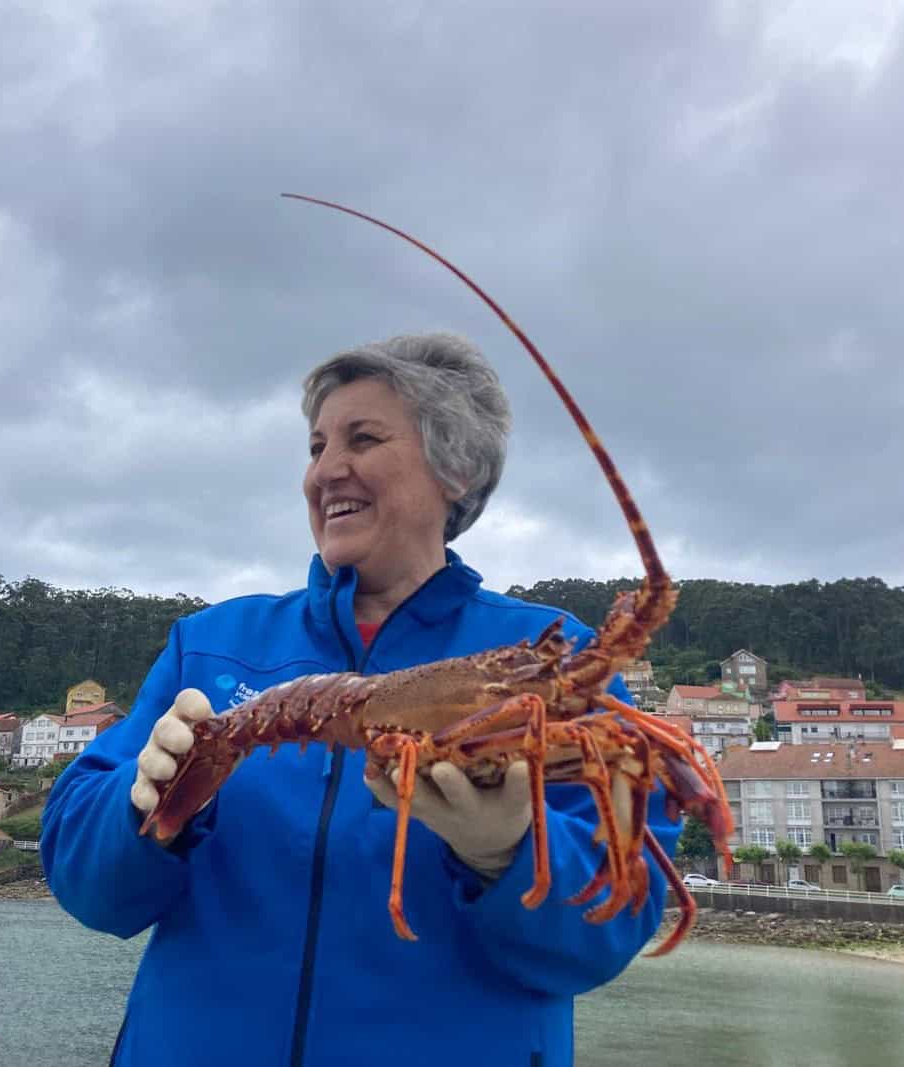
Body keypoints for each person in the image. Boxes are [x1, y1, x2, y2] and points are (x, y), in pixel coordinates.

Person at [41, 332, 683, 1067]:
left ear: (458, 468)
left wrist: (507, 852)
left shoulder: (550, 651)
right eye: (316, 447)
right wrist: (139, 809)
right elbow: (87, 885)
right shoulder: (212, 645)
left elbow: (614, 920)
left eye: (363, 438)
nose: (325, 471)